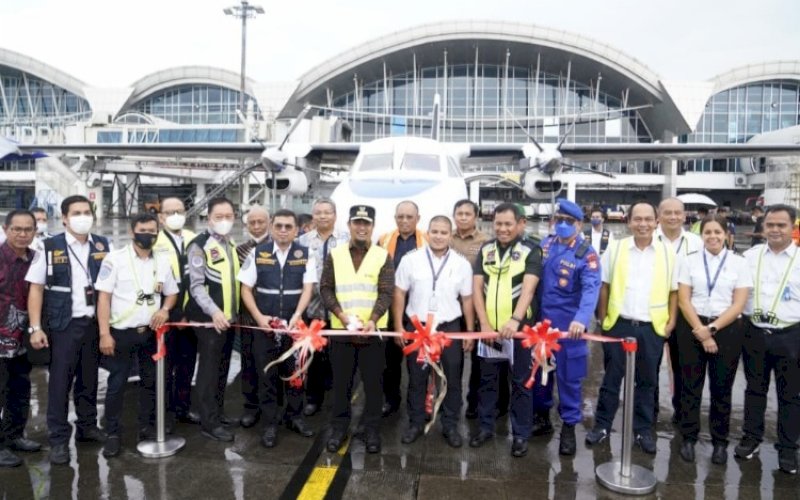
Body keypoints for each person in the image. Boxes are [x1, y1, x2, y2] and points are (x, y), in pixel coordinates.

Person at [587, 201, 678, 455]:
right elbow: (603, 285)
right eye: (637, 219)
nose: (643, 224)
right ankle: (602, 426)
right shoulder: (615, 249)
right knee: (611, 380)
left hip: (651, 328)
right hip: (619, 325)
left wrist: (670, 322)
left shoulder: (668, 253)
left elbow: (673, 291)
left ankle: (643, 430)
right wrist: (604, 319)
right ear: (629, 222)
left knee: (647, 383)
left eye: (648, 219)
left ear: (656, 221)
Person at [26, 195, 110, 465]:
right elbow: (36, 289)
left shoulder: (101, 244)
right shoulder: (49, 247)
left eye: (87, 212)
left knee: (89, 378)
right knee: (60, 384)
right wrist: (36, 327)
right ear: (64, 218)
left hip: (92, 323)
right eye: (76, 212)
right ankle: (59, 439)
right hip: (63, 325)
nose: (83, 216)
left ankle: (87, 427)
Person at [95, 213, 178, 458]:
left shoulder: (162, 261)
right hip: (121, 333)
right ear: (132, 232)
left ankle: (146, 427)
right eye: (143, 230)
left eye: (153, 231)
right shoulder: (115, 259)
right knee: (117, 384)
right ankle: (112, 433)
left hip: (150, 334)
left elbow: (172, 292)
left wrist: (164, 309)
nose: (148, 235)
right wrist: (104, 334)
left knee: (150, 382)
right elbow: (104, 298)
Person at [675, 214, 751, 465]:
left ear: (726, 235)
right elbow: (684, 299)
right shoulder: (689, 261)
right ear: (701, 236)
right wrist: (700, 329)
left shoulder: (739, 263)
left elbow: (739, 302)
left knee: (721, 389)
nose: (713, 237)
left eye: (718, 232)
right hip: (693, 327)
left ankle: (720, 442)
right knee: (690, 386)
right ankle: (688, 437)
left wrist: (712, 329)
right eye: (708, 232)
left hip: (726, 329)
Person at [394, 215, 474, 448]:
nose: (438, 236)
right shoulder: (411, 260)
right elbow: (399, 293)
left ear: (451, 235)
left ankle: (450, 425)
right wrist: (399, 326)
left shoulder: (462, 264)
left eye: (443, 232)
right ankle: (416, 423)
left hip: (449, 328)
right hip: (418, 328)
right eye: (435, 231)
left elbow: (467, 299)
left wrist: (469, 331)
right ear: (427, 233)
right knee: (416, 377)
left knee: (452, 378)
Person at [239, 209, 317, 448]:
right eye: (279, 226)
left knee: (296, 374)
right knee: (267, 375)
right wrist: (259, 318)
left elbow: (308, 288)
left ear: (296, 230)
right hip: (266, 329)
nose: (283, 230)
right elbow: (245, 289)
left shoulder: (305, 254)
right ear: (272, 227)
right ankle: (270, 423)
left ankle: (295, 417)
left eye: (288, 226)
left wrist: (296, 315)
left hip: (295, 328)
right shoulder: (258, 253)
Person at [470, 203, 542, 458]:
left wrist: (515, 320)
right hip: (491, 332)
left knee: (521, 383)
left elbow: (528, 289)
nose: (502, 229)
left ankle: (520, 434)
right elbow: (477, 288)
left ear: (521, 224)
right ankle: (485, 427)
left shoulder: (532, 250)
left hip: (519, 332)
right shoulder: (486, 249)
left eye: (508, 224)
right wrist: (485, 324)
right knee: (488, 381)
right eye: (498, 224)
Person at [321, 205, 394, 454]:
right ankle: (339, 429)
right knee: (341, 385)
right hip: (342, 333)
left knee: (374, 385)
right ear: (349, 225)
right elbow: (326, 288)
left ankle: (371, 430)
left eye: (366, 223)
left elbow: (386, 292)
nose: (361, 227)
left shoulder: (382, 256)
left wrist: (373, 319)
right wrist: (340, 315)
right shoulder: (335, 254)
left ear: (372, 227)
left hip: (372, 334)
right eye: (357, 222)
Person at [532, 200, 601, 456]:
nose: (562, 224)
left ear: (579, 224)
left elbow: (591, 289)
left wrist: (581, 319)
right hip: (542, 328)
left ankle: (569, 428)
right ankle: (542, 418)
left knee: (569, 380)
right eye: (558, 219)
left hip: (570, 331)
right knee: (541, 376)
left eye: (568, 221)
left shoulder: (586, 254)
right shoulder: (545, 245)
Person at [735, 204, 800, 474]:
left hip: (791, 334)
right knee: (754, 390)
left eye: (781, 225)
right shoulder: (748, 257)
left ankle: (787, 449)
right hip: (755, 333)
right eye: (770, 225)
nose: (774, 230)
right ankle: (751, 438)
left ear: (793, 227)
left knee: (791, 395)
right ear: (763, 228)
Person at [184, 197, 240, 442]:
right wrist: (214, 312)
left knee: (222, 368)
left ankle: (218, 413)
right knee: (208, 372)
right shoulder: (199, 245)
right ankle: (209, 422)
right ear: (209, 219)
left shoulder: (231, 244)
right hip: (210, 321)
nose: (224, 221)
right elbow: (196, 286)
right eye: (219, 217)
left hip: (229, 320)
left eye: (229, 216)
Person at [298, 198, 349, 417]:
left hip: (340, 309)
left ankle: (339, 399)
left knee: (339, 356)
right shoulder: (302, 242)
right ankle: (313, 398)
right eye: (318, 213)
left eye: (327, 212)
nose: (322, 216)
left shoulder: (347, 240)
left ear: (335, 215)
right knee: (314, 356)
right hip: (314, 308)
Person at [450, 199, 500, 420]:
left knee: (480, 362)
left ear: (476, 217)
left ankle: (474, 404)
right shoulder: (444, 237)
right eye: (459, 213)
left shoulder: (486, 242)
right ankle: (449, 401)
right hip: (450, 310)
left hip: (477, 308)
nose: (462, 217)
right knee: (452, 360)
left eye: (467, 214)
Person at [152, 197, 200, 427]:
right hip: (166, 314)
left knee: (187, 364)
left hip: (191, 314)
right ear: (161, 216)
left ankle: (183, 408)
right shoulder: (154, 241)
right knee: (165, 366)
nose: (175, 216)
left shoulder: (194, 239)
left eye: (179, 211)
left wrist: (189, 313)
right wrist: (174, 313)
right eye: (169, 212)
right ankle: (164, 414)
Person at [655, 197, 703, 424]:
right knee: (648, 367)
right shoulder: (648, 239)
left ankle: (682, 412)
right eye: (668, 213)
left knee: (683, 365)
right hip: (653, 310)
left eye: (677, 213)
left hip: (686, 312)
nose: (673, 217)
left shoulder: (697, 242)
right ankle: (648, 411)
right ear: (659, 215)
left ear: (684, 215)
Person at [378, 200, 428, 417]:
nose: (405, 221)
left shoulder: (428, 240)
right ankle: (391, 400)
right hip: (390, 309)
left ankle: (420, 404)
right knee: (390, 361)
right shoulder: (384, 239)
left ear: (418, 218)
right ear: (395, 218)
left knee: (420, 361)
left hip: (419, 310)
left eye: (409, 217)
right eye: (400, 217)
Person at [0, 210, 41, 467]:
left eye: (28, 229)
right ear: (6, 229)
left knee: (20, 389)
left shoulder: (36, 260)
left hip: (23, 339)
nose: (22, 234)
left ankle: (14, 435)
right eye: (17, 229)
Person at [236, 205, 270, 429]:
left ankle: (274, 408)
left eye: (261, 222)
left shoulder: (277, 246)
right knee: (248, 365)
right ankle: (251, 407)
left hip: (273, 319)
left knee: (273, 366)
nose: (256, 226)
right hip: (248, 320)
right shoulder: (238, 250)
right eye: (252, 222)